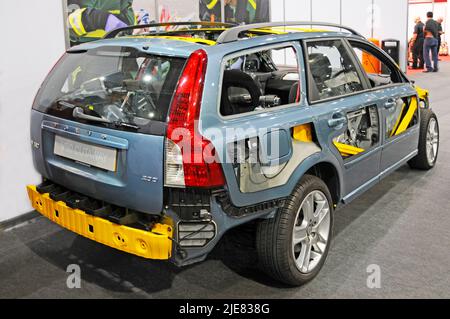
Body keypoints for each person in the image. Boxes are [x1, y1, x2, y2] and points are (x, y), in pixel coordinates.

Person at [67, 0, 136, 46]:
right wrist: (101, 19)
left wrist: (134, 23)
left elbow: (121, 8)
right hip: (89, 52)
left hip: (122, 49)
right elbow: (65, 20)